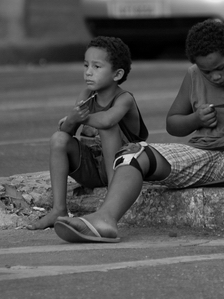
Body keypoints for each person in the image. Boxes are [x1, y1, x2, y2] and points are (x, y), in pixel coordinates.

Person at [54, 19, 224, 242]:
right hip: (204, 157)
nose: (214, 77)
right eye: (206, 71)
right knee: (134, 153)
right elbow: (173, 124)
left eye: (220, 68)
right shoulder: (193, 75)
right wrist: (195, 118)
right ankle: (105, 220)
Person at [27, 36, 148, 231]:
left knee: (108, 128)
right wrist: (71, 121)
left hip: (122, 171)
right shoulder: (86, 96)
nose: (88, 72)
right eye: (86, 65)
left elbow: (108, 120)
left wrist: (77, 118)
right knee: (58, 139)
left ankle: (110, 202)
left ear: (117, 74)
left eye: (97, 67)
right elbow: (66, 132)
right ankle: (59, 209)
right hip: (91, 168)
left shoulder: (124, 99)